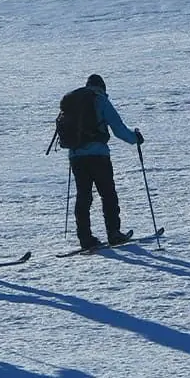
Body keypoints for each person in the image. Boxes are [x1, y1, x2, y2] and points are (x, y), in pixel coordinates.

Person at [57, 74, 142, 250]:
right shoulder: (100, 100)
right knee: (108, 194)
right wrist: (135, 139)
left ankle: (85, 238)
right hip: (98, 155)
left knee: (83, 196)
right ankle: (114, 233)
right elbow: (118, 128)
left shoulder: (73, 102)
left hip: (76, 156)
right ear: (102, 87)